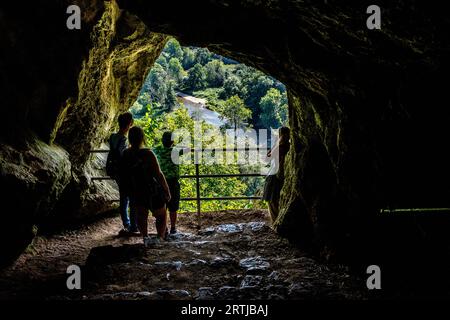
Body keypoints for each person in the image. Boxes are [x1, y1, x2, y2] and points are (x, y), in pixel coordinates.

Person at [120, 126, 171, 245]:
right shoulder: (148, 153)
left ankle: (146, 237)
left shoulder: (126, 154)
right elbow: (158, 174)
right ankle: (159, 238)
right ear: (142, 137)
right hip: (152, 189)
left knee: (141, 214)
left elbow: (124, 173)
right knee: (161, 214)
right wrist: (166, 189)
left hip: (136, 189)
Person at [107, 112, 138, 235]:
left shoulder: (113, 136)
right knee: (132, 199)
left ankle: (126, 224)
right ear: (130, 124)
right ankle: (133, 226)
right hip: (125, 172)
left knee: (123, 198)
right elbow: (123, 155)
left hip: (116, 171)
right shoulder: (124, 139)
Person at [154, 132, 182, 235]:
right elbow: (187, 148)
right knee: (173, 206)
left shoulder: (157, 150)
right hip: (173, 182)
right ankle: (173, 228)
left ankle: (164, 228)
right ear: (172, 141)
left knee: (162, 205)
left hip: (160, 182)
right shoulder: (176, 151)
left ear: (162, 141)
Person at [263, 127, 291, 223]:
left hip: (274, 176)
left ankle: (276, 222)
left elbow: (266, 159)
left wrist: (275, 143)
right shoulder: (290, 146)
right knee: (279, 200)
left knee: (272, 201)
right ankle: (279, 221)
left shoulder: (279, 147)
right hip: (284, 177)